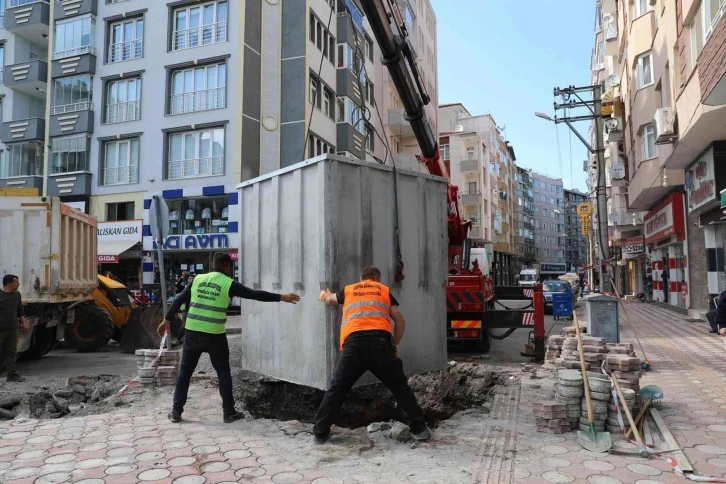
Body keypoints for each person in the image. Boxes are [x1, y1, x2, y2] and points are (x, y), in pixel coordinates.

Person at [157, 253, 300, 423]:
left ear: (212, 265)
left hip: (193, 333)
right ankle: (228, 412)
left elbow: (179, 299)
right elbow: (254, 294)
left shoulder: (197, 280)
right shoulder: (229, 284)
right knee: (223, 372)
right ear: (227, 267)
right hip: (214, 336)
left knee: (185, 372)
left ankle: (176, 412)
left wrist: (166, 320)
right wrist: (281, 297)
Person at [314, 266, 430, 443]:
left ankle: (320, 432)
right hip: (381, 345)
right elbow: (399, 319)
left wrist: (323, 295)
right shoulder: (383, 291)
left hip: (353, 346)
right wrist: (395, 343)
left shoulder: (349, 290)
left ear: (362, 279)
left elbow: (330, 300)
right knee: (399, 387)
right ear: (376, 278)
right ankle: (420, 430)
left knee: (337, 388)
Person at [0, 274, 29, 382]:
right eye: (16, 282)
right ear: (8, 284)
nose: (18, 284)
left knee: (12, 352)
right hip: (0, 330)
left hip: (12, 329)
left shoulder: (17, 295)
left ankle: (12, 375)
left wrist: (24, 322)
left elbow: (20, 310)